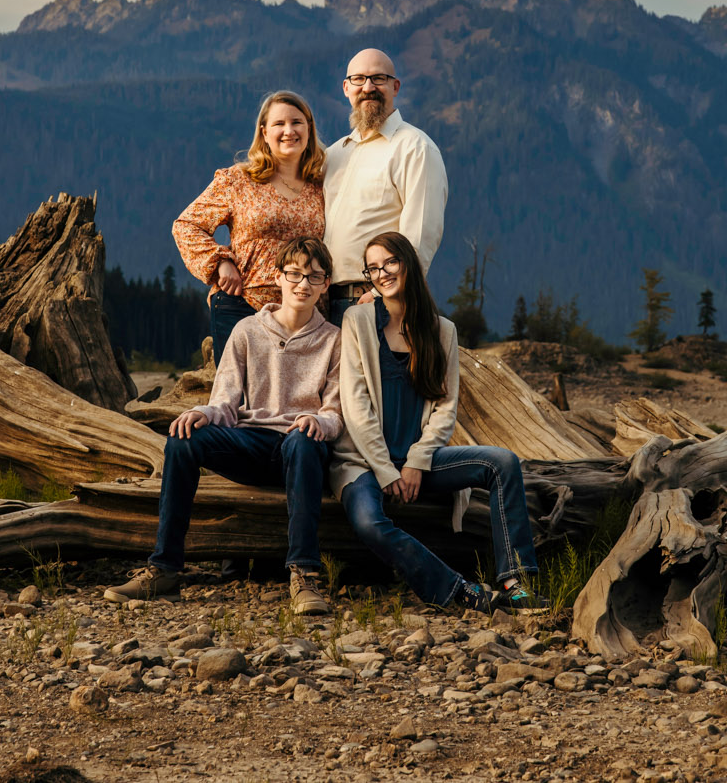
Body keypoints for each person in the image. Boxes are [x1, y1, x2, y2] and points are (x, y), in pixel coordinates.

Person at [108, 235, 343, 616]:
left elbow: (336, 412)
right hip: (251, 443)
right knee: (184, 439)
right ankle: (164, 569)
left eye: (314, 277)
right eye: (294, 274)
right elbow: (226, 401)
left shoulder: (335, 340)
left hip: (302, 446)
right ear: (278, 278)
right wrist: (204, 413)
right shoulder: (248, 331)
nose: (303, 284)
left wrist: (317, 421)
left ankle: (303, 574)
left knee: (303, 442)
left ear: (325, 285)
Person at [331, 230, 549, 613]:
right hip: (363, 462)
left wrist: (416, 461)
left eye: (390, 263)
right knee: (367, 521)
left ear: (408, 263)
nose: (382, 274)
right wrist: (387, 472)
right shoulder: (358, 320)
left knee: (501, 463)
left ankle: (516, 584)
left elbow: (445, 407)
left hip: (420, 461)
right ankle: (458, 590)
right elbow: (356, 404)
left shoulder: (442, 331)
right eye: (373, 268)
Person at [173, 90, 327, 351]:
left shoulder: (322, 185)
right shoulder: (240, 179)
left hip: (305, 310)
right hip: (243, 303)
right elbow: (187, 225)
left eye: (296, 122)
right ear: (264, 133)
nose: (289, 130)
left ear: (309, 129)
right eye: (279, 124)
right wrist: (219, 262)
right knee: (241, 391)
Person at [323, 49, 447, 320]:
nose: (368, 88)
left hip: (378, 301)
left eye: (378, 78)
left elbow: (421, 235)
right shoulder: (333, 155)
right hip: (323, 303)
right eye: (358, 79)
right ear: (346, 88)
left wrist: (382, 293)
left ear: (395, 86)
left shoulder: (415, 147)